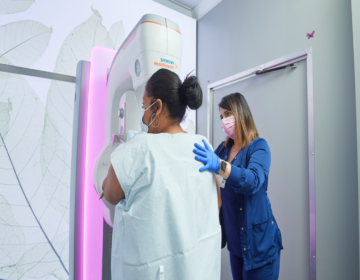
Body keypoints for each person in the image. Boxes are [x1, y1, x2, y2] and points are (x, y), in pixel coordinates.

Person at [101, 69, 221, 280]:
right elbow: (216, 203)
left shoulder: (139, 148)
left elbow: (109, 193)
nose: (143, 114)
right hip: (197, 268)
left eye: (143, 106)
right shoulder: (203, 145)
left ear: (157, 106)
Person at [193, 93, 283, 280]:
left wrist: (220, 165)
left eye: (227, 114)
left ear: (241, 113)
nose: (224, 120)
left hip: (259, 247)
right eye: (221, 117)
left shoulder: (259, 147)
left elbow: (252, 181)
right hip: (236, 246)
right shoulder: (223, 150)